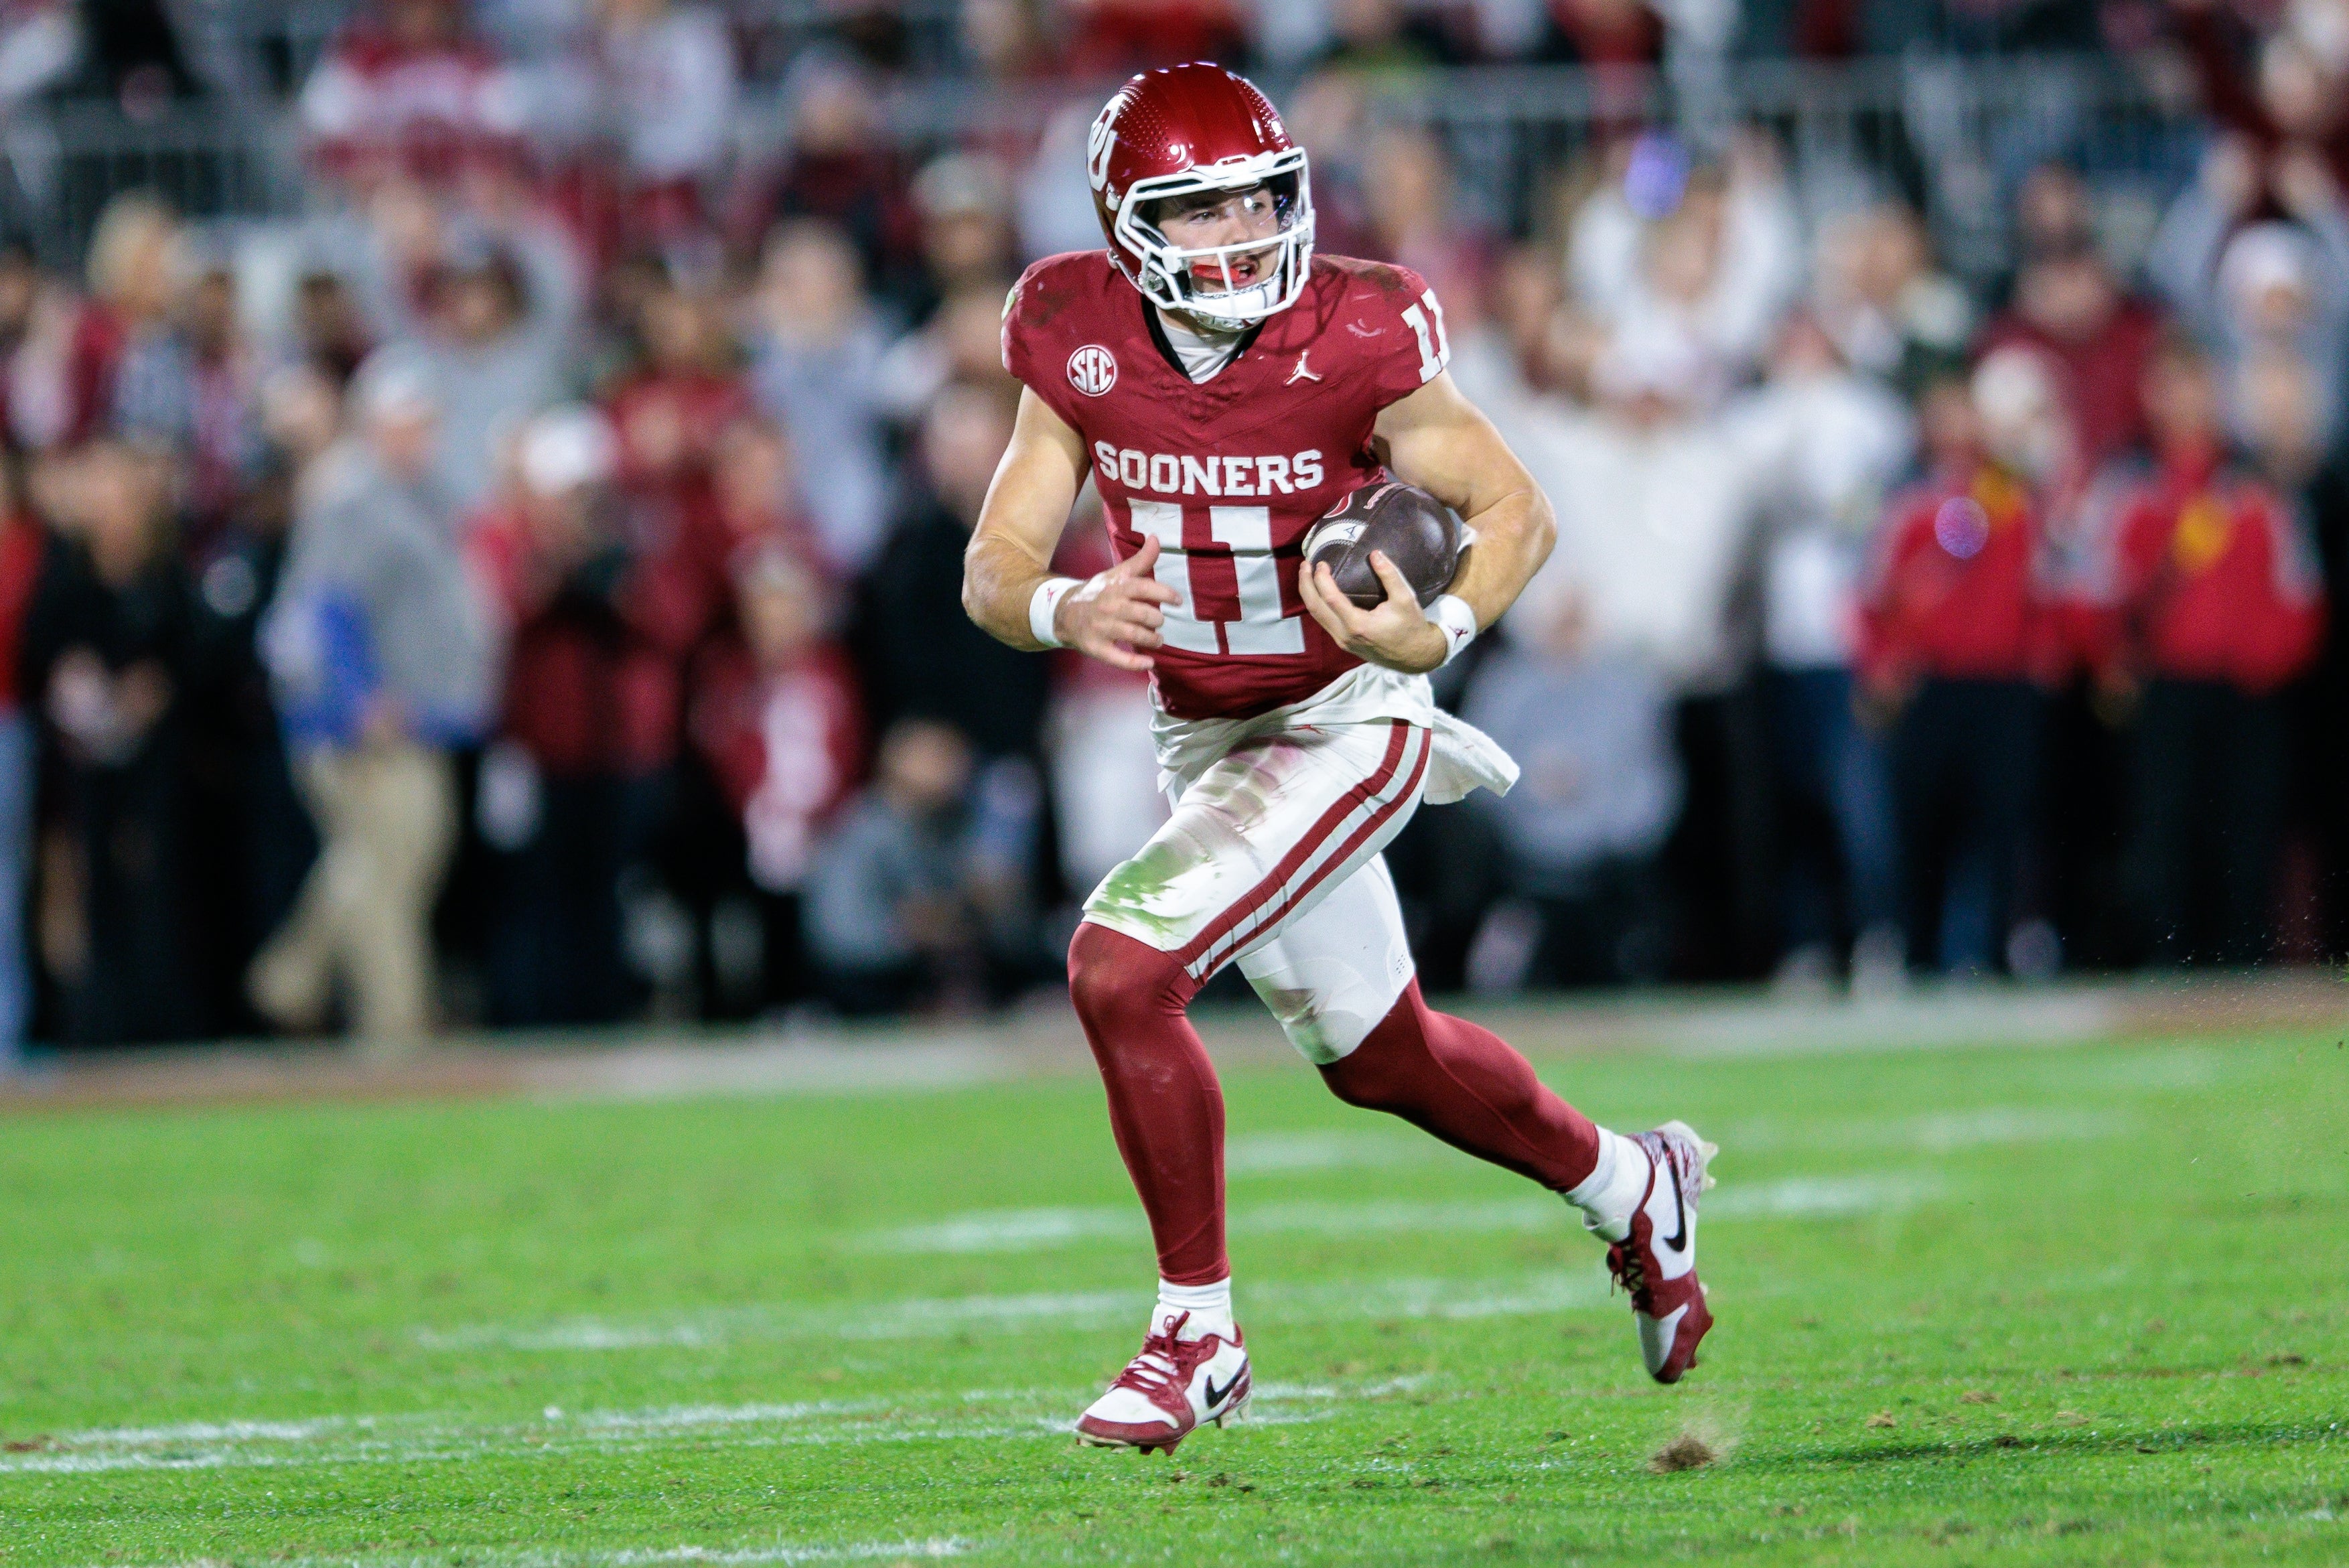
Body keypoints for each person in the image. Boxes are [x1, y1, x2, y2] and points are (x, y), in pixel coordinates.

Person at [962, 64, 1718, 1455]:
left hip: (1348, 711)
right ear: (1129, 227)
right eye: (1200, 214)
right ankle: (1633, 1186)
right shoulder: (1069, 326)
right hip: (1208, 733)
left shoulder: (1357, 326)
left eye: (1261, 199)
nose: (1243, 234)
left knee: (1119, 968)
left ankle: (1197, 1332)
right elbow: (994, 565)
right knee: (1384, 1058)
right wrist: (1067, 605)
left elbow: (1514, 511)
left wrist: (1435, 628)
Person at [251, 348, 495, 1048]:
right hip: (361, 728)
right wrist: (357, 699)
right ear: (375, 425)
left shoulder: (412, 494)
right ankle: (395, 1025)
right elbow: (323, 610)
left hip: (404, 720)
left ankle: (291, 976)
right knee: (386, 869)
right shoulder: (352, 497)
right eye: (407, 422)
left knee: (383, 861)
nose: (422, 435)